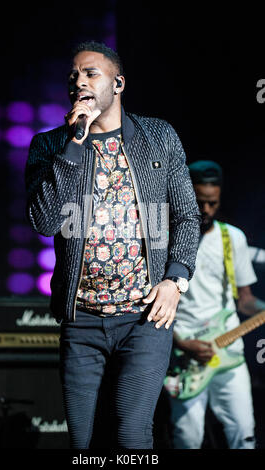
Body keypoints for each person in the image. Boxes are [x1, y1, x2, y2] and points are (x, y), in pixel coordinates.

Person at [25, 41, 201, 449]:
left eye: (90, 73)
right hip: (81, 320)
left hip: (144, 317)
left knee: (130, 435)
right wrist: (73, 144)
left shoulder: (158, 137)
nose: (79, 81)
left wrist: (176, 280)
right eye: (73, 76)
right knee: (84, 444)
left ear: (118, 83)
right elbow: (46, 221)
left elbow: (187, 217)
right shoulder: (50, 146)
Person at [168, 160, 265, 449]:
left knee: (244, 433)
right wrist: (182, 345)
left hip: (229, 352)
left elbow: (244, 301)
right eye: (200, 202)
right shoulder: (168, 237)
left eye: (213, 203)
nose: (206, 210)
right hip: (184, 352)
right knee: (188, 438)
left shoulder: (232, 238)